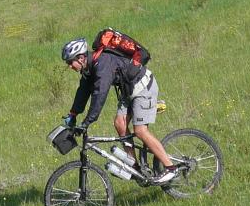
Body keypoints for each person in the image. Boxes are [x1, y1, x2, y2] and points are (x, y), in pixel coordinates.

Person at [60, 36, 180, 185]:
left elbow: (100, 94)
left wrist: (87, 122)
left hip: (143, 86)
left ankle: (171, 168)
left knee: (140, 131)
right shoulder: (88, 68)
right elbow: (83, 92)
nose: (69, 66)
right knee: (120, 124)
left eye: (70, 62)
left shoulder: (102, 65)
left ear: (81, 57)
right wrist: (73, 114)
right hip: (128, 90)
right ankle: (135, 167)